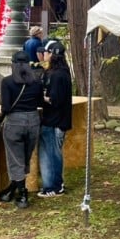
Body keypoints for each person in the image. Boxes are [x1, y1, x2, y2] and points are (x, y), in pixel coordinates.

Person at [0, 51, 45, 208]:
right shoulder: (37, 82)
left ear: (13, 64)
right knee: (24, 157)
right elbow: (40, 102)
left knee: (15, 158)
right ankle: (12, 188)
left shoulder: (7, 82)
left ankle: (22, 193)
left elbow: (5, 107)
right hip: (33, 120)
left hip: (15, 121)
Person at [38, 41, 72, 198]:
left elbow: (55, 100)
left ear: (51, 54)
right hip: (59, 120)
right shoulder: (63, 72)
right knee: (53, 153)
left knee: (51, 154)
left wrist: (42, 98)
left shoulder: (56, 75)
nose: (43, 54)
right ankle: (54, 184)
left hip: (54, 121)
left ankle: (53, 186)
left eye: (46, 52)